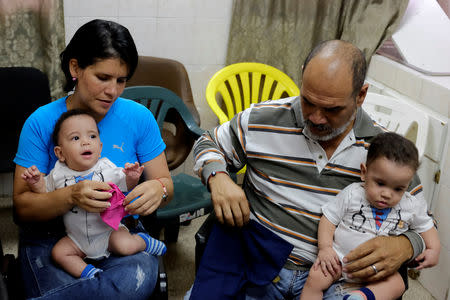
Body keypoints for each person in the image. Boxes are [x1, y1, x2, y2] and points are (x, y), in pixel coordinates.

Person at [191, 40, 427, 299]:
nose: (315, 117)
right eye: (308, 101)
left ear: (360, 95)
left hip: (338, 278)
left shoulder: (385, 150)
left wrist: (406, 245)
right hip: (259, 261)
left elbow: (424, 222)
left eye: (332, 109)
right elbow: (208, 141)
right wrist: (218, 176)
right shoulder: (263, 119)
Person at [13, 19, 173, 299]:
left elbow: (166, 185)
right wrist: (72, 195)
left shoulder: (139, 118)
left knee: (134, 275)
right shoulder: (40, 122)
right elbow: (23, 209)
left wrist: (157, 189)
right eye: (103, 77)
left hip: (118, 232)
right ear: (75, 68)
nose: (113, 91)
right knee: (119, 288)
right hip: (56, 238)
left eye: (121, 80)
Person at [21, 109, 167, 279]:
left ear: (100, 147)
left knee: (124, 245)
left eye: (92, 137)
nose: (86, 143)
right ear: (60, 153)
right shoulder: (57, 174)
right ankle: (88, 273)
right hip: (77, 238)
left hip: (109, 232)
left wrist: (132, 177)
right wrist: (37, 183)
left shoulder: (105, 168)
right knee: (59, 253)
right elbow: (45, 194)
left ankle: (144, 241)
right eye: (76, 138)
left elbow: (124, 184)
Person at [300, 132, 440, 300]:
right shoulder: (353, 194)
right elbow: (329, 219)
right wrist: (325, 249)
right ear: (364, 173)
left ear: (407, 185)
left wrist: (434, 249)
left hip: (379, 270)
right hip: (339, 261)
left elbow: (426, 226)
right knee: (314, 278)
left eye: (398, 189)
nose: (387, 194)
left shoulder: (410, 205)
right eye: (380, 183)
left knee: (398, 284)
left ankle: (361, 297)